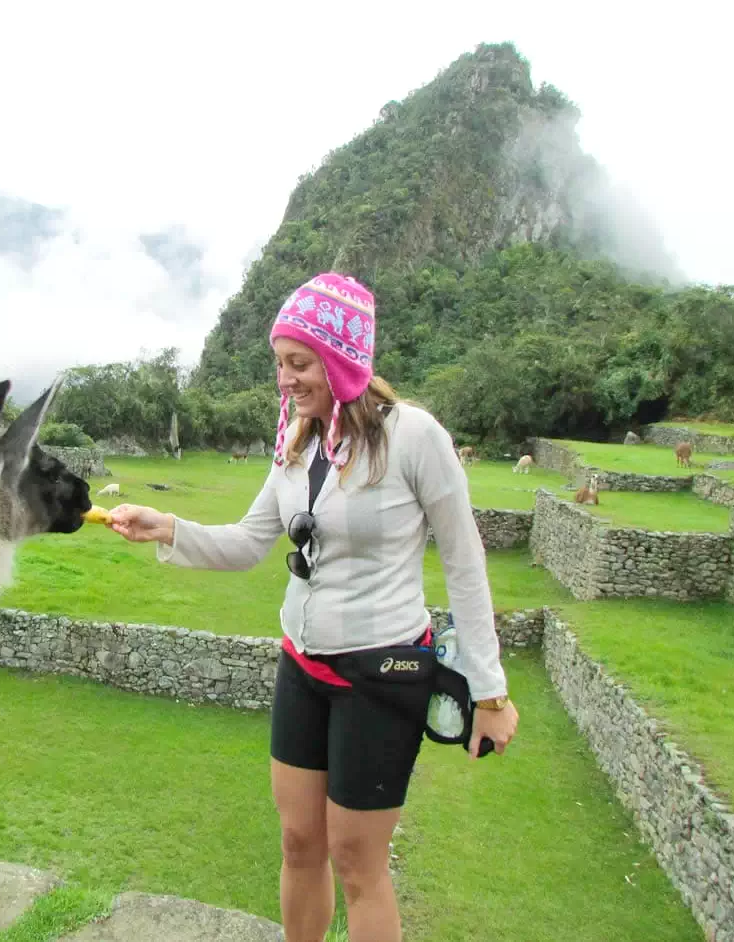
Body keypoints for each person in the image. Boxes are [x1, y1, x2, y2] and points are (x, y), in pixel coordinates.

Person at [109, 272, 518, 942]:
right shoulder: (297, 441)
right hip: (303, 668)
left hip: (381, 676)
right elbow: (247, 543)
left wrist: (492, 693)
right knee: (299, 841)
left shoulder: (414, 438)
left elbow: (466, 565)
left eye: (298, 363)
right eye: (279, 363)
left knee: (358, 863)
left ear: (340, 360)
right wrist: (167, 528)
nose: (284, 379)